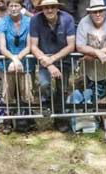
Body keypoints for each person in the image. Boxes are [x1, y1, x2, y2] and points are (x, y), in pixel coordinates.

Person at [76, 0, 106, 142]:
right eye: (94, 11)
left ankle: (104, 116)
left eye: (100, 11)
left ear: (105, 10)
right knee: (99, 94)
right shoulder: (84, 22)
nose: (97, 14)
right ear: (89, 12)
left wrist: (97, 53)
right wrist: (99, 53)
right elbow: (80, 46)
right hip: (93, 69)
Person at [29, 0, 75, 132]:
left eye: (52, 7)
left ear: (58, 8)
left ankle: (60, 119)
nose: (49, 10)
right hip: (44, 59)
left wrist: (53, 59)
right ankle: (51, 107)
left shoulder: (68, 19)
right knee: (44, 84)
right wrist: (49, 63)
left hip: (63, 59)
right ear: (41, 9)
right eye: (46, 8)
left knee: (63, 89)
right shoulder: (35, 20)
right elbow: (33, 46)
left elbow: (71, 45)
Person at [0, 0, 33, 133]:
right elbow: (2, 47)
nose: (13, 8)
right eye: (11, 5)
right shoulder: (3, 23)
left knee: (27, 91)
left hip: (26, 63)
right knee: (8, 92)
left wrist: (17, 59)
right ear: (7, 8)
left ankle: (27, 120)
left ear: (21, 7)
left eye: (16, 5)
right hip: (7, 63)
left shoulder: (29, 22)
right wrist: (13, 59)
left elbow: (30, 46)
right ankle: (7, 121)